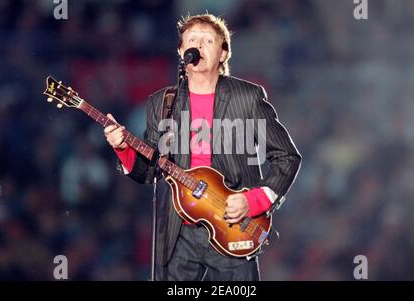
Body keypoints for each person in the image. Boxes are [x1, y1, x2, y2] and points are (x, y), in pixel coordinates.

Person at [104, 13, 301, 281]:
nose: (199, 45)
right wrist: (122, 148)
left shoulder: (247, 98)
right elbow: (149, 171)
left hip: (234, 224)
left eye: (208, 40)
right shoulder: (162, 103)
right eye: (192, 40)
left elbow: (287, 157)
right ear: (182, 51)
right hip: (177, 231)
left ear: (222, 53)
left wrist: (254, 200)